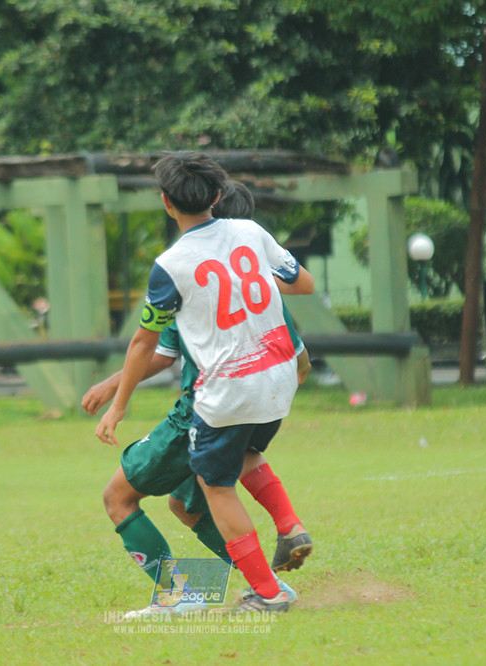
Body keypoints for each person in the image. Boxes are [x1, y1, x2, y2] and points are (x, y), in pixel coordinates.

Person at [96, 153, 315, 612]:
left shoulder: (172, 266)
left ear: (166, 203)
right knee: (188, 502)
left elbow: (145, 343)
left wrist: (118, 404)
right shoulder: (251, 233)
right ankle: (263, 556)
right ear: (218, 195)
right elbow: (303, 283)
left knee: (130, 495)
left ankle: (242, 593)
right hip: (276, 383)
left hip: (221, 395)